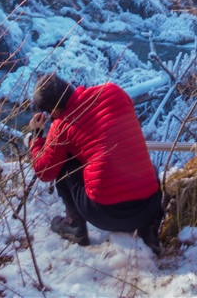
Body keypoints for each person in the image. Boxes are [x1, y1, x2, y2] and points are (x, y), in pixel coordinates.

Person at [27, 72, 163, 253]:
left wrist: (36, 136)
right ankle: (149, 229)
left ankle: (74, 226)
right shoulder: (113, 91)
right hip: (149, 207)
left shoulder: (62, 126)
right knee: (136, 158)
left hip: (107, 215)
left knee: (65, 162)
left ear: (53, 111)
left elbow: (45, 171)